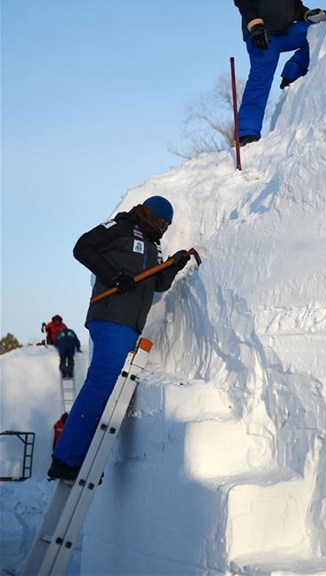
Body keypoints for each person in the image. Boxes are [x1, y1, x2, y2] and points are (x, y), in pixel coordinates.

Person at [47, 195, 192, 481]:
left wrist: (175, 264)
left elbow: (158, 283)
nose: (164, 227)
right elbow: (83, 247)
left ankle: (76, 457)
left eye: (168, 225)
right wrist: (115, 276)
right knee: (102, 383)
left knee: (104, 386)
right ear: (150, 214)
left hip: (130, 325)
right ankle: (67, 460)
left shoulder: (154, 246)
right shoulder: (122, 226)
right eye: (162, 221)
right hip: (110, 316)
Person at [233, 0, 326, 146]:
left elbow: (295, 4)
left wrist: (307, 14)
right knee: (260, 80)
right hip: (263, 34)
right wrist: (255, 25)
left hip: (287, 30)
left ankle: (292, 73)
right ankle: (247, 133)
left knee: (320, 32)